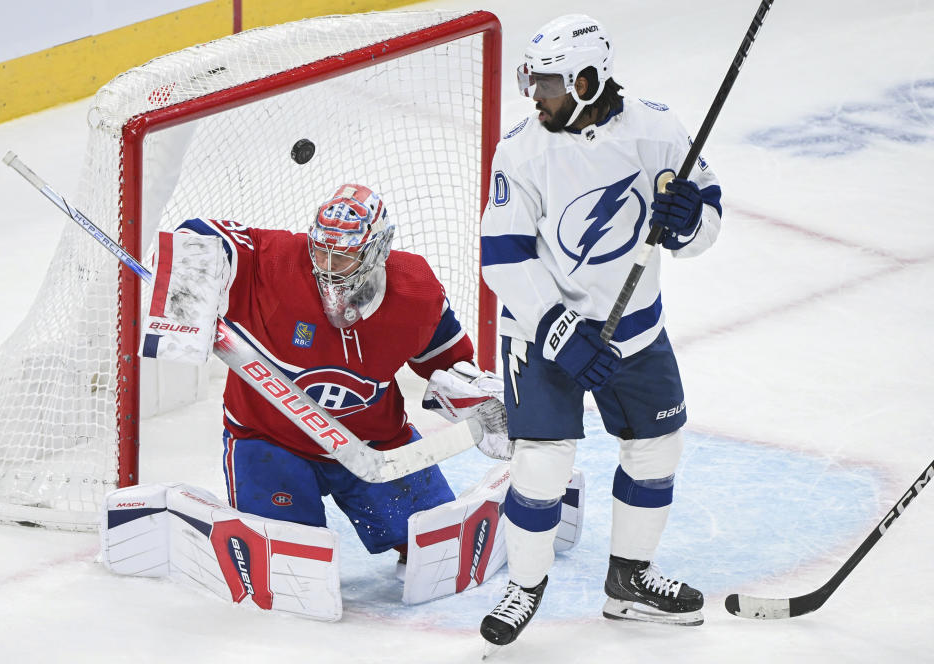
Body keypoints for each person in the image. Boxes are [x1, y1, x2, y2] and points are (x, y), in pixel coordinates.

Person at [478, 14, 723, 651]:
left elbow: (708, 208)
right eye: (535, 83)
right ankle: (525, 585)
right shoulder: (523, 149)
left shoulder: (656, 128)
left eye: (551, 84)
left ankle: (629, 581)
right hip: (543, 334)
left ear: (590, 80)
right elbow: (503, 256)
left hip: (636, 331)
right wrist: (559, 329)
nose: (538, 97)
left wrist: (688, 221)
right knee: (541, 464)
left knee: (657, 449)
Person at [142, 183, 509, 581]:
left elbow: (447, 364)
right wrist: (188, 272)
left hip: (376, 447)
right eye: (321, 251)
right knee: (289, 572)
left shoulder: (416, 291)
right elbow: (204, 235)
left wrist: (479, 401)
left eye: (346, 255)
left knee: (442, 552)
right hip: (268, 441)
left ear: (377, 251)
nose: (329, 266)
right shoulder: (275, 263)